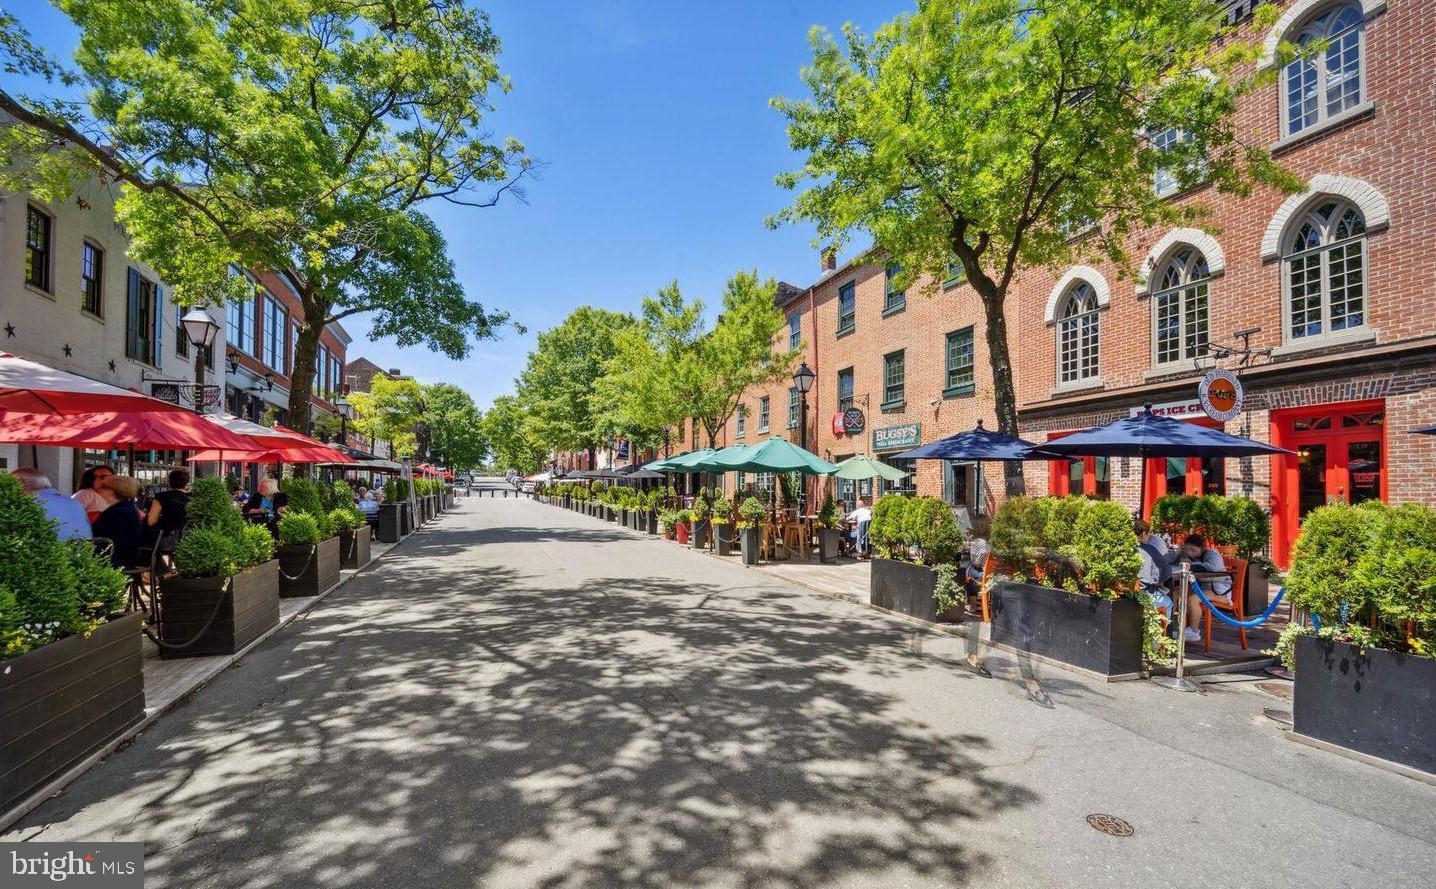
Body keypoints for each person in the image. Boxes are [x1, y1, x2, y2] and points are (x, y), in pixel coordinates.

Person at [1170, 533, 1232, 643]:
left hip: (1219, 590)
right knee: (1176, 593)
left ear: (1202, 548)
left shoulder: (1212, 554)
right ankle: (1177, 627)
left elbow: (1213, 567)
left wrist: (1191, 564)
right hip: (1200, 586)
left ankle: (1194, 632)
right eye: (1187, 549)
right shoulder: (1186, 555)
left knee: (1192, 599)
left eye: (1193, 550)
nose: (1190, 553)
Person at [12, 468, 92, 541]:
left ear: (20, 485)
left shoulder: (25, 505)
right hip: (83, 554)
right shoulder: (75, 503)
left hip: (49, 554)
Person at [91, 476, 145, 568]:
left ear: (112, 490)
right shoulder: (125, 508)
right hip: (121, 556)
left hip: (115, 559)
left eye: (103, 487)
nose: (99, 490)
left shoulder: (118, 512)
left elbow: (104, 536)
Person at [1133, 518, 1173, 614]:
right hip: (1145, 595)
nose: (1149, 537)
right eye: (1148, 534)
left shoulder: (1121, 548)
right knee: (1168, 602)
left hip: (1123, 593)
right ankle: (1160, 628)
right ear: (1143, 534)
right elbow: (1161, 577)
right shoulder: (1150, 550)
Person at [146, 469, 191, 544]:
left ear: (170, 482)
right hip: (189, 538)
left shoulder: (161, 497)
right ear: (186, 483)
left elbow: (151, 521)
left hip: (167, 538)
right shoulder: (193, 498)